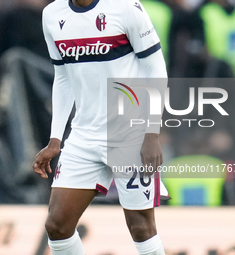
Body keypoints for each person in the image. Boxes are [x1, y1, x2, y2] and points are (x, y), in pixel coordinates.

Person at [33, 0, 168, 254]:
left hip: (130, 133)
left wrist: (151, 133)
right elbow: (62, 78)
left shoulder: (127, 7)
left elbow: (155, 67)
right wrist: (55, 140)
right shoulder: (52, 15)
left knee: (141, 227)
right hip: (83, 135)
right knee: (57, 226)